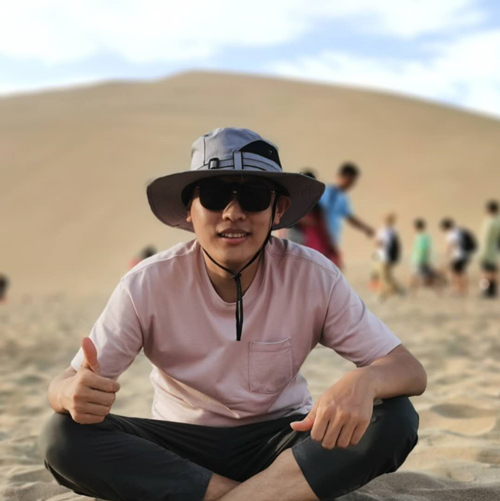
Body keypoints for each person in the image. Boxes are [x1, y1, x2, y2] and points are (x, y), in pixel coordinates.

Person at [39, 128, 426, 501]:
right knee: (63, 436)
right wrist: (69, 393)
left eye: (254, 197)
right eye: (214, 195)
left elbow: (409, 370)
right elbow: (67, 383)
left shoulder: (313, 276)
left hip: (283, 443)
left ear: (278, 210)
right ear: (189, 210)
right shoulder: (147, 283)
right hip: (180, 450)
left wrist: (366, 379)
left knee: (395, 417)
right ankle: (274, 495)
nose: (233, 213)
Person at [319, 162, 374, 269]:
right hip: (321, 241)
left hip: (332, 241)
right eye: (350, 181)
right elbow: (319, 215)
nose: (351, 185)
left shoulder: (343, 197)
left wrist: (366, 228)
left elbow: (349, 217)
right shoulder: (326, 192)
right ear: (343, 176)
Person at [285, 170, 336, 261]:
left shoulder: (317, 207)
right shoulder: (292, 202)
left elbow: (323, 227)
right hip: (296, 244)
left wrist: (330, 245)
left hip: (311, 247)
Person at [439, 218, 475, 296]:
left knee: (456, 273)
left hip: (457, 256)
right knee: (462, 272)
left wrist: (447, 255)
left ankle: (458, 289)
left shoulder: (450, 234)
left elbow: (450, 246)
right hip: (465, 255)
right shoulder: (458, 231)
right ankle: (464, 290)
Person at [408, 219, 445, 296]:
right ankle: (413, 293)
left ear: (417, 227)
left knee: (420, 277)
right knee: (418, 277)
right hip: (419, 260)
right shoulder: (421, 236)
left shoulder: (422, 237)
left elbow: (425, 249)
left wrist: (426, 260)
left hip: (420, 260)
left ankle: (413, 293)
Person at [374, 213, 404, 300]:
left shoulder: (384, 231)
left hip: (383, 256)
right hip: (390, 257)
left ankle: (383, 294)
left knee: (383, 276)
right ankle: (398, 290)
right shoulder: (394, 230)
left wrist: (376, 243)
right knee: (387, 276)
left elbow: (380, 243)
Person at [478, 200, 500, 298]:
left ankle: (486, 290)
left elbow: (485, 238)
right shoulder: (498, 221)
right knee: (493, 271)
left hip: (487, 250)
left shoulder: (489, 221)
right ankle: (493, 290)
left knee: (485, 271)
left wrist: (482, 252)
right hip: (494, 250)